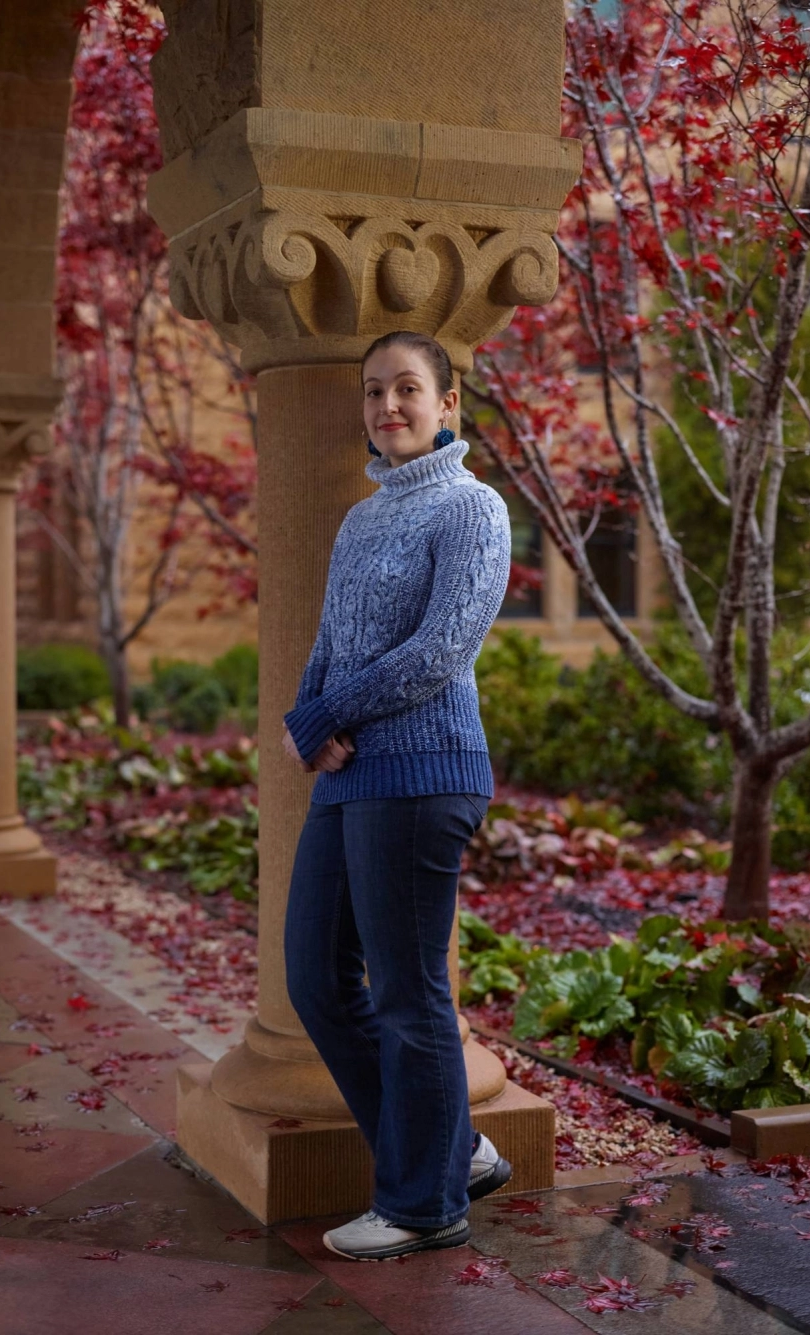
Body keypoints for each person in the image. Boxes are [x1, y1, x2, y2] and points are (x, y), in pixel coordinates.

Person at [281, 330, 513, 1262]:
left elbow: (440, 651)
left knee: (410, 994)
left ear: (448, 401)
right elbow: (332, 641)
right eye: (374, 391)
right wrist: (310, 713)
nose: (388, 407)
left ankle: (424, 1203)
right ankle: (455, 1151)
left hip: (423, 775)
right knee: (315, 978)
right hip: (350, 779)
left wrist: (332, 709)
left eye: (408, 389)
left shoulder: (474, 508)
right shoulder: (359, 518)